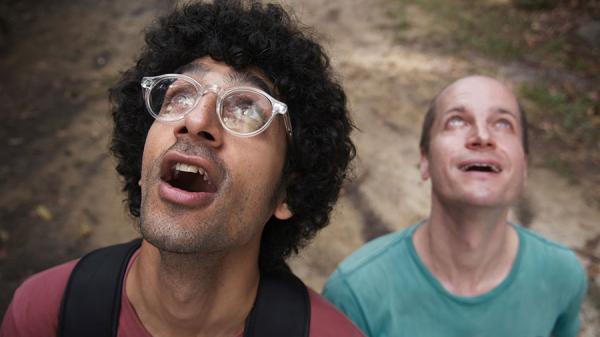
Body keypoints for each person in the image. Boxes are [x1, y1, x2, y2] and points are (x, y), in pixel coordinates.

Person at [1, 1, 365, 336]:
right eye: (181, 95)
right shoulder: (44, 314)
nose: (196, 119)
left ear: (287, 192)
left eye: (247, 109)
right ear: (142, 165)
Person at [323, 75, 588, 337]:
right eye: (457, 120)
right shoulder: (355, 294)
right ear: (424, 159)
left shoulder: (563, 276)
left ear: (525, 166)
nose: (482, 136)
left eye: (504, 124)